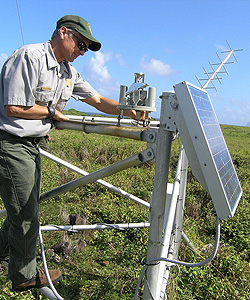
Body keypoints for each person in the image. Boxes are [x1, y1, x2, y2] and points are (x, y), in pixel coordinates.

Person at [0, 15, 143, 291]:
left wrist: (129, 111)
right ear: (63, 33)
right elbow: (13, 108)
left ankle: (4, 252)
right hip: (11, 143)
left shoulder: (67, 72)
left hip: (33, 145)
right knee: (26, 212)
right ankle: (23, 277)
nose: (81, 52)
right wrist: (52, 113)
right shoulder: (30, 57)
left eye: (85, 49)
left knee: (23, 207)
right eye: (80, 44)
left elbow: (98, 100)